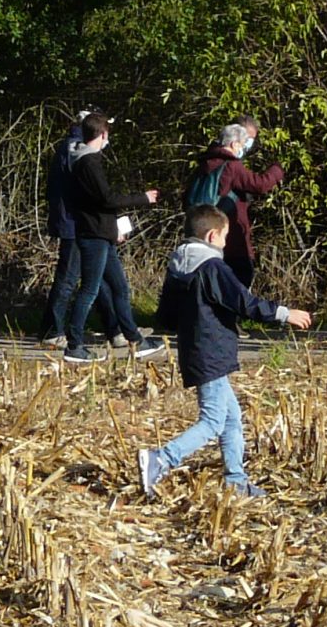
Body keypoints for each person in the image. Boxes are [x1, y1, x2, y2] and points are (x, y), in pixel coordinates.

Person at [134, 207, 313, 501]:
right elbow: (244, 302)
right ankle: (162, 458)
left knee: (231, 417)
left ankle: (236, 480)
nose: (226, 245)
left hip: (195, 348)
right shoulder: (212, 267)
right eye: (225, 238)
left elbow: (165, 316)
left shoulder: (178, 266)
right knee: (213, 421)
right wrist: (283, 313)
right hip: (211, 352)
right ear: (212, 235)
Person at [63, 114, 165, 364]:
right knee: (89, 289)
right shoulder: (88, 163)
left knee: (119, 287)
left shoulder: (85, 160)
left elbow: (98, 202)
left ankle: (135, 340)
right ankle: (74, 343)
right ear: (103, 134)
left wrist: (112, 229)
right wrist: (142, 198)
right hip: (94, 236)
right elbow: (106, 199)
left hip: (102, 233)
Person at [187, 121, 284, 288]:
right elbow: (259, 184)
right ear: (233, 144)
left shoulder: (205, 161)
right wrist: (277, 169)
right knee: (239, 279)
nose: (243, 148)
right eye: (241, 144)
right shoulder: (232, 165)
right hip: (229, 234)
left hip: (201, 229)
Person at [40, 111, 93, 348]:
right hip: (73, 223)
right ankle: (53, 329)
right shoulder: (75, 148)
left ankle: (117, 327)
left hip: (74, 220)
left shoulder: (69, 146)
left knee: (92, 277)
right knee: (68, 278)